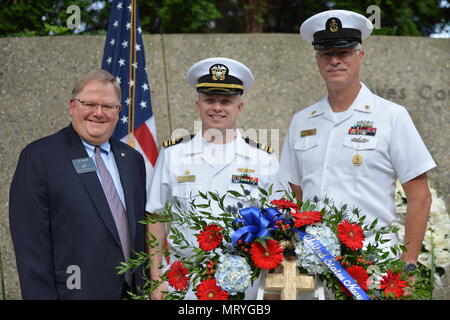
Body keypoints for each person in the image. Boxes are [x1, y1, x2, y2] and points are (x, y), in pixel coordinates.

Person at [279, 10, 436, 280]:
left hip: (373, 266)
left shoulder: (391, 116)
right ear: (317, 60)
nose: (336, 61)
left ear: (360, 56)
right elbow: (293, 192)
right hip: (313, 267)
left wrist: (408, 263)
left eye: (345, 52)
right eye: (327, 54)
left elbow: (420, 195)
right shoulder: (302, 120)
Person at [146, 57, 279, 300]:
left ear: (239, 107)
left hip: (245, 284)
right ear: (197, 104)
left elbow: (277, 227)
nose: (217, 107)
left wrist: (272, 285)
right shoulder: (173, 155)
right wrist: (156, 279)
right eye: (210, 100)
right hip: (183, 281)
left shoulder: (263, 160)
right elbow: (155, 216)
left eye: (226, 101)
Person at [9, 70, 147, 299]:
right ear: (73, 106)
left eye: (108, 106)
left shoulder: (131, 159)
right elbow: (30, 246)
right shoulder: (40, 157)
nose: (98, 113)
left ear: (118, 111)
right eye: (90, 104)